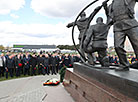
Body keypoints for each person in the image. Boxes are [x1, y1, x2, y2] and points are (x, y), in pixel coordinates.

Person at [103, 0, 138, 71]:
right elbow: (109, 16)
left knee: (137, 44)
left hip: (130, 23)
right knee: (117, 46)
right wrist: (105, 7)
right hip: (118, 26)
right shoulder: (111, 5)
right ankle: (124, 64)